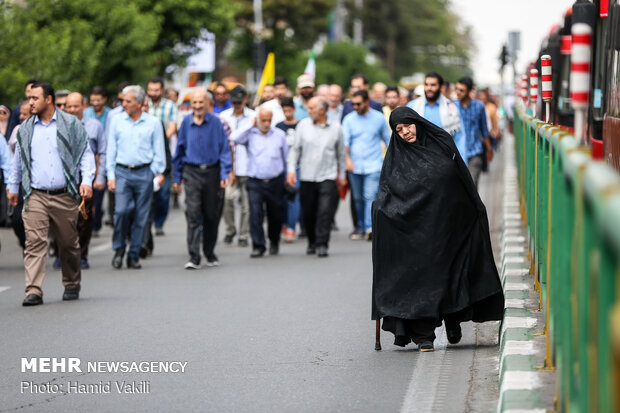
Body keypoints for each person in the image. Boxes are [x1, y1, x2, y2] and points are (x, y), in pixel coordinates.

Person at [371, 106, 504, 351]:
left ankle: (453, 321)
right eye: (398, 130)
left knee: (452, 274)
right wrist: (380, 209)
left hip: (450, 225)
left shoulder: (441, 141)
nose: (405, 133)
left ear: (417, 122)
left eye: (408, 126)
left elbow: (461, 176)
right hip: (417, 230)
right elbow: (388, 190)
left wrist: (475, 207)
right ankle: (424, 336)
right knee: (422, 279)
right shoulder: (397, 155)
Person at [7, 81, 96, 306]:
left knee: (68, 244)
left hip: (64, 194)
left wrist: (86, 181)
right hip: (35, 194)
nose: (30, 102)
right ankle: (34, 289)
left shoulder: (70, 124)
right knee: (34, 243)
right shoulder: (26, 128)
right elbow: (19, 160)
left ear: (48, 99)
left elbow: (85, 154)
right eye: (29, 98)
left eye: (35, 98)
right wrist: (13, 186)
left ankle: (72, 282)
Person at [106, 85, 166, 270]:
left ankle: (134, 255)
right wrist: (111, 174)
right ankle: (119, 249)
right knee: (121, 212)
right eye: (123, 101)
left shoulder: (153, 122)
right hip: (122, 172)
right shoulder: (117, 121)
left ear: (140, 103)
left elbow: (159, 150)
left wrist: (155, 171)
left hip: (144, 173)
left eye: (128, 101)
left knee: (141, 216)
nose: (123, 104)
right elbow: (111, 149)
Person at [173, 89, 232, 269]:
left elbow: (224, 149)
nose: (198, 106)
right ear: (191, 105)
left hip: (212, 172)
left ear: (207, 104)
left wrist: (225, 173)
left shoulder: (216, 122)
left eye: (201, 103)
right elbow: (180, 151)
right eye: (195, 103)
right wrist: (177, 177)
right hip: (192, 172)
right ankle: (194, 256)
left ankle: (209, 252)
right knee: (192, 213)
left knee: (211, 215)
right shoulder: (185, 122)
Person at [286, 97, 346, 257]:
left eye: (312, 108)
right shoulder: (303, 125)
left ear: (322, 110)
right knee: (308, 212)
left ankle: (322, 243)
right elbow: (295, 150)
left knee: (325, 211)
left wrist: (343, 175)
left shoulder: (336, 128)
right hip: (307, 176)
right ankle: (312, 241)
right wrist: (291, 170)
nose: (308, 111)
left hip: (328, 175)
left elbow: (341, 154)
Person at [230, 106, 288, 258]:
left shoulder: (279, 135)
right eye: (263, 120)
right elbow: (234, 138)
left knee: (275, 214)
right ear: (257, 119)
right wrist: (251, 124)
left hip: (275, 180)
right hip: (255, 181)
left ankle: (274, 241)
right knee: (255, 213)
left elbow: (286, 157)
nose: (266, 123)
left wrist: (288, 177)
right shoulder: (251, 134)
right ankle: (258, 245)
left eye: (269, 120)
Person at [64, 92, 106, 269]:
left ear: (84, 106)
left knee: (84, 217)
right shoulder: (58, 126)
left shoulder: (94, 126)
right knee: (63, 218)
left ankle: (82, 255)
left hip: (85, 177)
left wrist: (99, 176)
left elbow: (102, 152)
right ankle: (62, 252)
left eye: (76, 106)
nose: (72, 110)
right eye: (69, 106)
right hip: (63, 177)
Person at [342, 90, 390, 240]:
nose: (355, 106)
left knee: (369, 196)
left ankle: (370, 227)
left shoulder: (379, 118)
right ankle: (361, 227)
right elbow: (345, 142)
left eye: (358, 103)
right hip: (354, 165)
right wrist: (347, 160)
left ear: (366, 102)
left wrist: (392, 159)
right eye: (353, 104)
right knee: (357, 198)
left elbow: (388, 139)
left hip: (373, 164)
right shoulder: (349, 119)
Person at [220, 85, 255, 247]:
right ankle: (230, 229)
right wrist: (227, 168)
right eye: (234, 102)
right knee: (227, 200)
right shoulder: (223, 117)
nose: (237, 105)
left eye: (240, 102)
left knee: (247, 205)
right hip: (229, 167)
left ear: (245, 100)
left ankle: (243, 234)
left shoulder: (254, 117)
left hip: (248, 166)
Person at [407, 72, 466, 161]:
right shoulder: (412, 107)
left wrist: (462, 163)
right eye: (426, 85)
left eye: (433, 85)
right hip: (418, 159)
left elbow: (459, 138)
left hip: (445, 160)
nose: (429, 88)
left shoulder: (451, 108)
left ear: (441, 87)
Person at [147, 76, 178, 236]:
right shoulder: (144, 104)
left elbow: (172, 126)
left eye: (156, 90)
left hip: (164, 152)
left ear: (162, 90)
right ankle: (147, 222)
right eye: (150, 90)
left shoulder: (170, 106)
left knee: (164, 193)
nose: (153, 93)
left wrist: (159, 140)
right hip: (146, 153)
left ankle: (159, 223)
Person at [454, 77, 493, 188]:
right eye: (457, 89)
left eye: (461, 90)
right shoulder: (452, 106)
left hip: (475, 152)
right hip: (457, 154)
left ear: (470, 91)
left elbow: (484, 129)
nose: (458, 92)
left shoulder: (479, 106)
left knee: (472, 184)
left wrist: (489, 149)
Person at [276, 97, 300, 242]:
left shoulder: (301, 125)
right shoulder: (278, 127)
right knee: (282, 198)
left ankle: (291, 226)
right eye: (285, 111)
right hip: (281, 167)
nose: (287, 113)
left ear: (294, 109)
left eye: (289, 110)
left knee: (293, 197)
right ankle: (284, 223)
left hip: (297, 167)